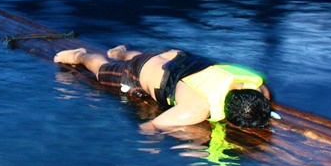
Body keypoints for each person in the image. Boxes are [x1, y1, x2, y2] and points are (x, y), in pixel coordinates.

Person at [53, 45, 272, 132]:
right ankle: (78, 55)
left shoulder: (258, 87)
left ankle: (120, 52)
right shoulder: (196, 109)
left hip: (174, 55)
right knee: (101, 71)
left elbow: (263, 97)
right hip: (138, 73)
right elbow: (151, 126)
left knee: (144, 58)